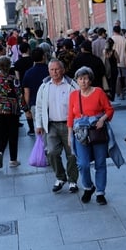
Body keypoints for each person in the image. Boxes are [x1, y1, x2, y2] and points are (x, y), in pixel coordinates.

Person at [67, 66, 114, 205]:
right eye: (80, 79)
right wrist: (70, 135)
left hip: (96, 131)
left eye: (86, 78)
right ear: (77, 80)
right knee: (83, 164)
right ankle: (88, 186)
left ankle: (100, 192)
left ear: (90, 79)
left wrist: (102, 119)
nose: (83, 81)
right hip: (80, 133)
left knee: (100, 163)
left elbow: (109, 109)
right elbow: (70, 115)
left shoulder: (99, 92)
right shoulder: (74, 95)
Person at [35, 59, 80, 193]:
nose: (54, 72)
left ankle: (72, 180)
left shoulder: (71, 85)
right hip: (51, 125)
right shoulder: (44, 86)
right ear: (48, 71)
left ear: (63, 70)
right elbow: (39, 106)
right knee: (52, 152)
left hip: (69, 124)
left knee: (72, 154)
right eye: (52, 70)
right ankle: (60, 177)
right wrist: (39, 124)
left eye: (57, 69)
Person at [0, 56, 24, 168]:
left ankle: (0, 151)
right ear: (9, 66)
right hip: (12, 109)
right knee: (13, 133)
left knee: (1, 132)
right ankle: (13, 160)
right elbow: (19, 95)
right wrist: (25, 109)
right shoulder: (13, 79)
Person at [21, 48, 49, 136]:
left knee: (40, 130)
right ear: (44, 57)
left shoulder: (28, 73)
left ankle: (42, 149)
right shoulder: (50, 71)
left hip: (35, 105)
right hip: (50, 103)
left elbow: (26, 93)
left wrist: (27, 109)